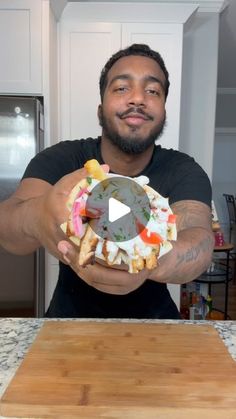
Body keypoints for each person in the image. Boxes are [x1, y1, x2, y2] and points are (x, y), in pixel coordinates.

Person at [0, 44, 214, 319]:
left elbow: (199, 239)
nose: (137, 98)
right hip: (67, 326)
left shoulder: (183, 169)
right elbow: (8, 227)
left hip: (157, 331)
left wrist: (146, 260)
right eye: (122, 88)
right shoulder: (62, 158)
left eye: (152, 91)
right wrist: (39, 216)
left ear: (163, 111)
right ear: (101, 108)